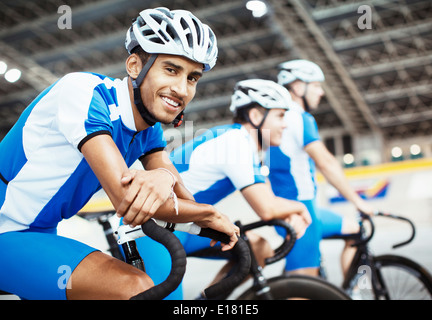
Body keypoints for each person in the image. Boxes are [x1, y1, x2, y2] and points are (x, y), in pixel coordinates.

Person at [0, 7, 239, 300]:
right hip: (6, 231)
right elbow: (127, 200)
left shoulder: (148, 129)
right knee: (133, 287)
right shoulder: (84, 92)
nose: (181, 88)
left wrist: (167, 180)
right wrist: (210, 213)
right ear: (135, 66)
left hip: (38, 233)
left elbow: (180, 198)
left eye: (192, 78)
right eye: (171, 69)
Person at [133, 79, 312, 299]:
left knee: (259, 248)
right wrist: (301, 209)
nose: (285, 125)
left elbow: (270, 200)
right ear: (256, 116)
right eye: (280, 116)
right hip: (153, 229)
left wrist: (290, 210)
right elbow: (267, 208)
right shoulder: (235, 142)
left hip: (183, 227)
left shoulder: (247, 144)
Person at [266, 59, 375, 277]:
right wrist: (358, 201)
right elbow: (326, 162)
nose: (321, 92)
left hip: (293, 210)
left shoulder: (277, 118)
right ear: (298, 87)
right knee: (304, 284)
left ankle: (351, 292)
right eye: (316, 85)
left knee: (354, 230)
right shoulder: (298, 117)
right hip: (301, 212)